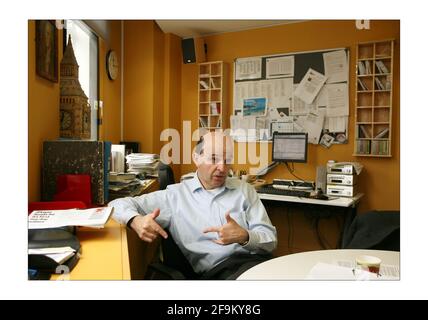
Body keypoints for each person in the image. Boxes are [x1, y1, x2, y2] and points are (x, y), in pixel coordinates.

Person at [109, 132, 277, 279]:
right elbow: (117, 204)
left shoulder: (244, 190)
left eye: (227, 160)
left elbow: (270, 240)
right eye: (214, 159)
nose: (222, 167)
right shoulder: (174, 196)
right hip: (221, 274)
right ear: (196, 158)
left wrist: (244, 236)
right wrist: (135, 220)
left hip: (261, 264)